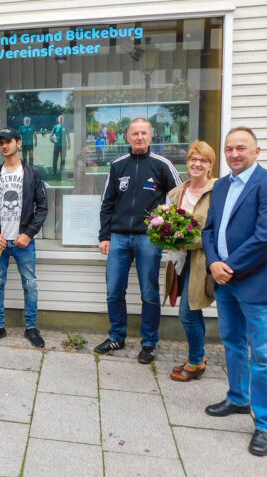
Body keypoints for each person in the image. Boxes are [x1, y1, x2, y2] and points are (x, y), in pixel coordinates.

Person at [202, 127, 267, 457]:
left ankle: (266, 424)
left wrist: (229, 266)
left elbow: (266, 237)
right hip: (225, 281)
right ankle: (238, 398)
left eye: (241, 148)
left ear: (257, 151)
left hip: (255, 283)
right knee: (233, 342)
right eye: (229, 149)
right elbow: (209, 229)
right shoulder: (222, 185)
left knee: (265, 356)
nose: (234, 154)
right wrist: (213, 262)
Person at [95, 118, 182, 363]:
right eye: (135, 133)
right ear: (127, 137)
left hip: (148, 239)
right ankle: (116, 336)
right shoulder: (117, 165)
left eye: (144, 133)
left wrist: (168, 229)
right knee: (114, 291)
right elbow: (107, 203)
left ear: (151, 136)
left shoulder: (162, 165)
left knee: (149, 293)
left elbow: (179, 198)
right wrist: (104, 235)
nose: (140, 137)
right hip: (119, 238)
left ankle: (149, 343)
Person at [0, 127, 48, 348]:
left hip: (23, 243)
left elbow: (42, 208)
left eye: (8, 141)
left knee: (30, 284)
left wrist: (28, 234)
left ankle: (31, 328)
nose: (4, 146)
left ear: (19, 143)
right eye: (0, 143)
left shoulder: (32, 174)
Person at [163, 141, 217, 381]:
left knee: (188, 312)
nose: (197, 164)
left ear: (210, 165)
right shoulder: (178, 192)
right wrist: (163, 234)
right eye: (193, 159)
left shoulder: (218, 192)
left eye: (203, 160)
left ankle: (195, 362)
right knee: (192, 312)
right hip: (179, 260)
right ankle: (199, 357)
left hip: (202, 261)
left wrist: (186, 240)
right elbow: (168, 222)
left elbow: (214, 230)